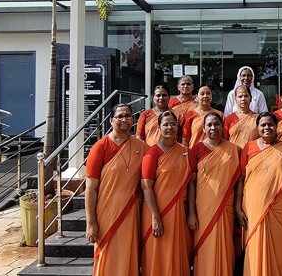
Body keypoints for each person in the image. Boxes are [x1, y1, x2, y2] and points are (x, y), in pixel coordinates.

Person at [235, 112, 282, 276]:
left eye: (270, 124)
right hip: (253, 208)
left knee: (280, 252)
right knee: (255, 249)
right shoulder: (249, 148)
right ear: (257, 128)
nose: (267, 128)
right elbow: (241, 179)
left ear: (276, 126)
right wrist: (238, 207)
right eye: (263, 125)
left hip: (281, 210)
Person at [85, 104, 149, 276]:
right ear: (111, 120)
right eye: (119, 116)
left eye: (128, 116)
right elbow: (90, 189)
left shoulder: (141, 146)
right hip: (106, 213)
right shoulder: (100, 147)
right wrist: (91, 223)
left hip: (130, 212)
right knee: (107, 254)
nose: (124, 119)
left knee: (128, 254)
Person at [188, 112, 242, 276]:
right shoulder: (196, 150)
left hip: (226, 207)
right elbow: (191, 183)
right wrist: (191, 213)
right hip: (203, 208)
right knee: (204, 245)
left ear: (223, 126)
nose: (213, 128)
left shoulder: (234, 150)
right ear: (203, 128)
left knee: (225, 245)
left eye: (216, 124)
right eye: (209, 125)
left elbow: (240, 181)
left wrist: (238, 207)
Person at [141, 110, 192, 276]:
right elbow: (146, 187)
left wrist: (191, 212)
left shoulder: (186, 151)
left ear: (178, 126)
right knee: (158, 252)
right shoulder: (151, 154)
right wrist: (155, 217)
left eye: (173, 124)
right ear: (159, 127)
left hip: (179, 211)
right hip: (156, 210)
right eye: (166, 124)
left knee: (177, 249)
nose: (169, 127)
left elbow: (191, 183)